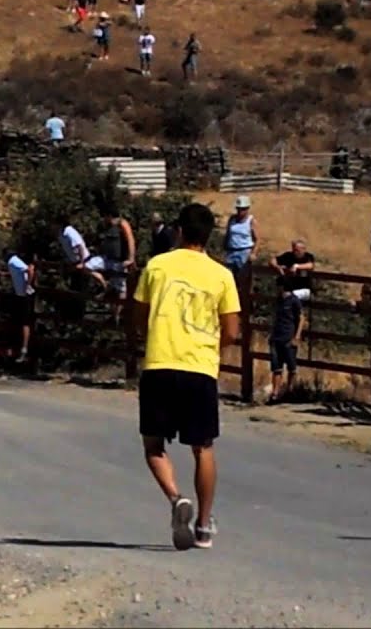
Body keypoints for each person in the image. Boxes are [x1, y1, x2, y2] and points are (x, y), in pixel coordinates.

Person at [130, 202, 241, 551]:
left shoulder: (157, 265)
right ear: (209, 237)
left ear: (178, 231)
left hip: (161, 362)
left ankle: (177, 498)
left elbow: (138, 315)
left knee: (154, 445)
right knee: (203, 447)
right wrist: (211, 348)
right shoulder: (222, 275)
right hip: (199, 368)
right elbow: (232, 330)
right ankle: (204, 527)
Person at [86, 205, 137, 305]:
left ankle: (117, 317)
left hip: (119, 261)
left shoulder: (122, 224)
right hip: (107, 258)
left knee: (120, 291)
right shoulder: (106, 226)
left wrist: (131, 258)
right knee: (87, 266)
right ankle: (105, 284)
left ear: (109, 216)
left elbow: (130, 240)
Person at [266, 276, 304, 405]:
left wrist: (297, 336)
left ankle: (289, 391)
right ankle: (275, 394)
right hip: (276, 337)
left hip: (288, 337)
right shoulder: (278, 301)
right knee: (276, 367)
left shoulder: (294, 301)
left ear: (282, 287)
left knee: (291, 367)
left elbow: (301, 318)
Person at [3, 247, 37, 362]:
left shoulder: (13, 261)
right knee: (23, 321)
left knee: (25, 322)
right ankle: (23, 348)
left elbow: (29, 270)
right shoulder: (14, 261)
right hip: (21, 294)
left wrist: (28, 285)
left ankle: (24, 349)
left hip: (24, 294)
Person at [222, 195, 259, 278]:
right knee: (228, 275)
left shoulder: (251, 221)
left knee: (242, 277)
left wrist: (254, 253)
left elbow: (257, 239)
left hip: (244, 251)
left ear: (247, 209)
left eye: (242, 209)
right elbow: (228, 234)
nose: (240, 211)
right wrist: (224, 247)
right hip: (231, 251)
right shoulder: (232, 219)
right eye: (238, 208)